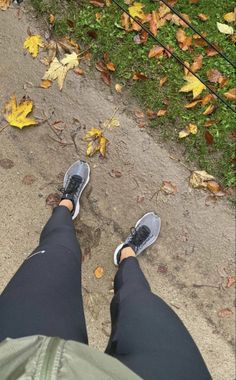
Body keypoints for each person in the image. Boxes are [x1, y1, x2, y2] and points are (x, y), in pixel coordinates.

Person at [0, 160, 211, 380]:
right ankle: (127, 253)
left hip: (15, 359)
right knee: (138, 298)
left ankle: (66, 204)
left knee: (57, 250)